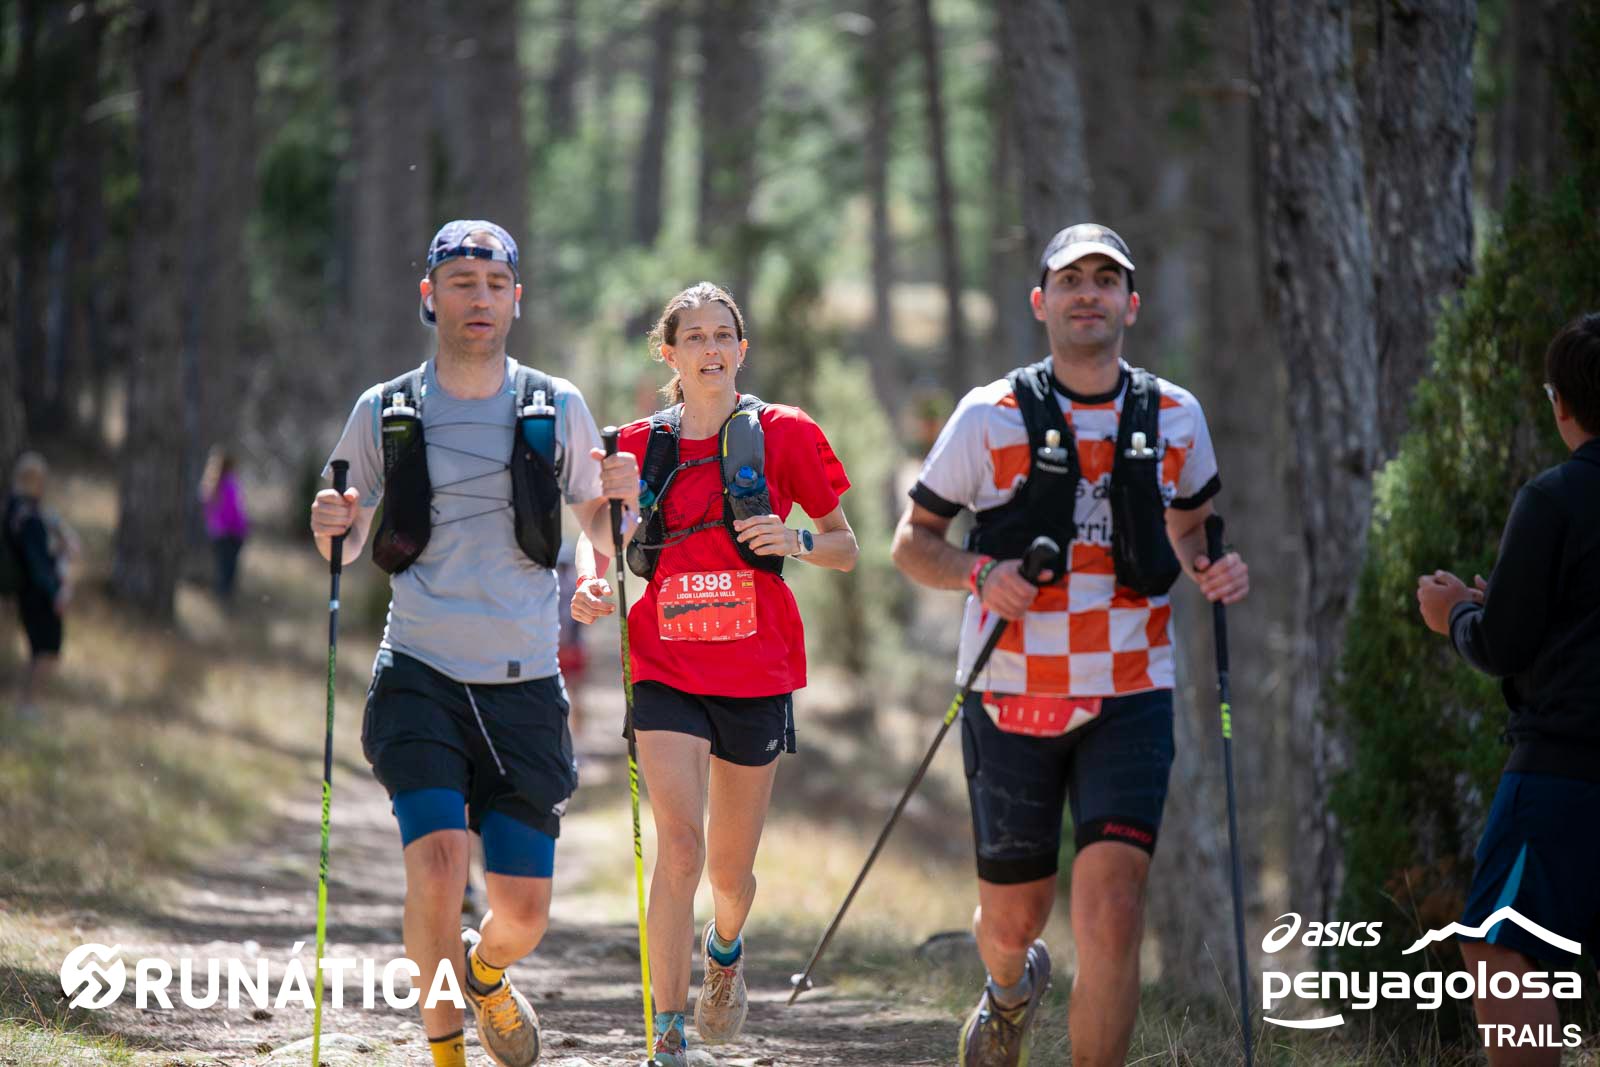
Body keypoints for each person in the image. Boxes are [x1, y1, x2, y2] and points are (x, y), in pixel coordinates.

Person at [890, 224, 1249, 1066]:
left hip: (1131, 689)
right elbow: (913, 541)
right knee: (1013, 919)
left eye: (1105, 279)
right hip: (1010, 690)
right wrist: (980, 574)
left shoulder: (1175, 415)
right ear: (1040, 301)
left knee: (1114, 910)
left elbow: (1191, 525)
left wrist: (1212, 566)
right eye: (1071, 279)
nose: (1088, 292)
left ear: (1132, 302)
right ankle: (1010, 988)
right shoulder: (989, 414)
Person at [309, 220, 639, 1067]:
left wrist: (615, 525)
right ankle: (446, 1052)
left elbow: (598, 522)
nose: (479, 298)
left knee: (523, 911)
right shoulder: (385, 409)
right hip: (418, 673)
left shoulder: (555, 405)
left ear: (516, 299)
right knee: (437, 867)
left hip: (524, 684)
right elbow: (346, 532)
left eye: (494, 284)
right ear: (430, 296)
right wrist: (331, 522)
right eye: (461, 282)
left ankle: (485, 972)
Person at [570, 281, 858, 1066]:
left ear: (742, 349)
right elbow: (600, 532)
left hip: (757, 670)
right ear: (668, 353)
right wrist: (594, 579)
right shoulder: (637, 443)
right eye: (693, 336)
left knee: (730, 875)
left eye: (723, 334)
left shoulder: (783, 433)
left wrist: (794, 540)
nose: (710, 348)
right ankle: (666, 1036)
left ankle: (724, 950)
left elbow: (845, 544)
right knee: (681, 847)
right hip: (664, 666)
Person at [1416, 314, 1600, 1067]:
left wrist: (1456, 614)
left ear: (1561, 403)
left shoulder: (1553, 499)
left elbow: (1502, 646)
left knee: (1498, 942)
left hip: (1564, 769)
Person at [6, 452, 72, 719]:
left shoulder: (12, 509)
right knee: (46, 650)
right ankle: (28, 704)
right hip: (38, 593)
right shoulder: (30, 517)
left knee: (38, 651)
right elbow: (38, 563)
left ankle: (27, 703)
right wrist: (56, 592)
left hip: (25, 591)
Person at [200, 446, 250, 605]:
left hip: (217, 533)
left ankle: (219, 598)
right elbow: (235, 511)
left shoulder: (209, 483)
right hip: (232, 534)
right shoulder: (230, 484)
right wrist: (242, 529)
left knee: (221, 568)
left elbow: (207, 510)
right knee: (229, 570)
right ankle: (224, 600)